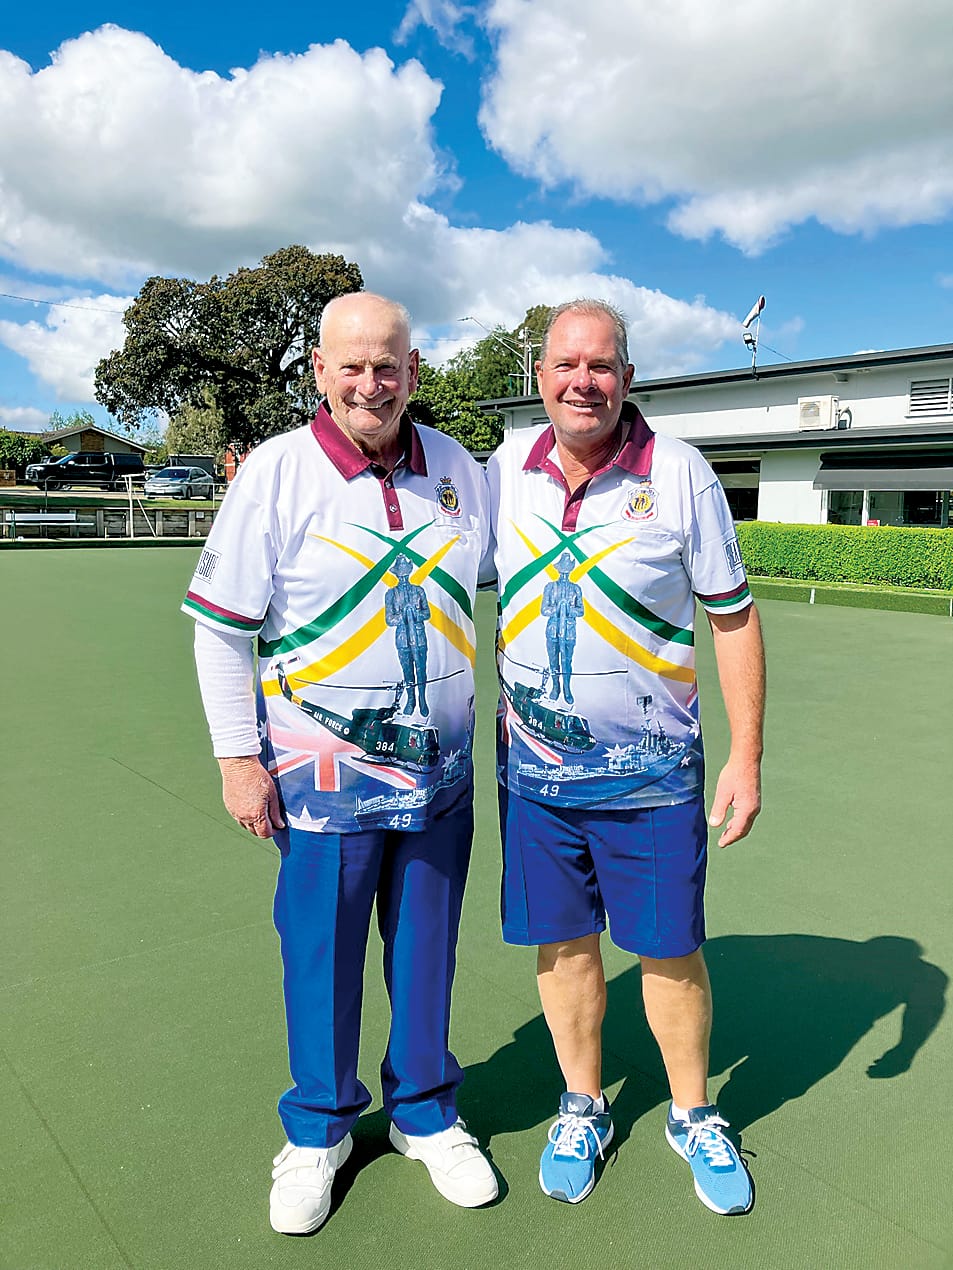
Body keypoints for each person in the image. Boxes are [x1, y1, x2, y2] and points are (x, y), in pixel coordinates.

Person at [182, 292, 497, 1235]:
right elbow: (218, 631)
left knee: (427, 951)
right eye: (351, 365)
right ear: (320, 372)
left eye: (389, 364)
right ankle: (318, 1129)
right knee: (319, 958)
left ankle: (425, 1113)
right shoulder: (275, 473)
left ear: (413, 371)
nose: (372, 382)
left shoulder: (456, 469)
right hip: (319, 785)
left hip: (439, 778)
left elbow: (502, 581)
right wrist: (240, 758)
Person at [486, 299, 765, 1214]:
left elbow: (730, 613)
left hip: (651, 777)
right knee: (564, 950)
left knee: (668, 950)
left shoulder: (679, 472)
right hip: (534, 778)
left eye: (600, 365)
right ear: (539, 378)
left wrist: (744, 756)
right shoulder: (501, 472)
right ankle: (582, 1104)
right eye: (565, 365)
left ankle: (693, 1115)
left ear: (627, 377)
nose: (582, 382)